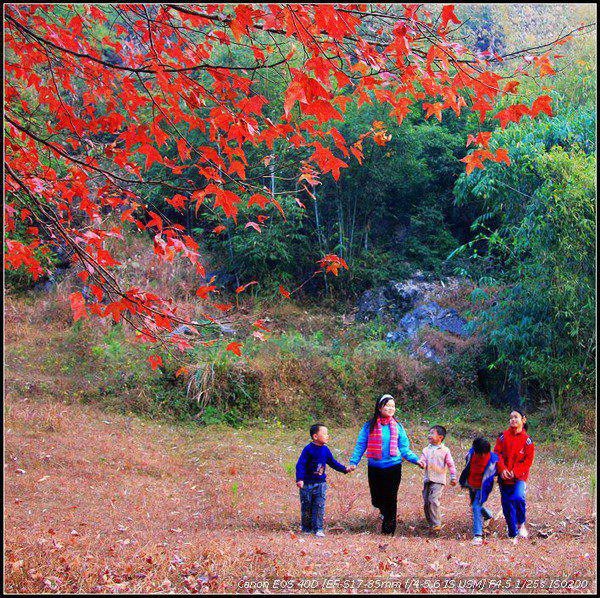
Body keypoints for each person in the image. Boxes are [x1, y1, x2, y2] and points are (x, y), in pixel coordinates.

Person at [349, 394, 423, 535]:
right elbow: (361, 444)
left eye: (393, 406)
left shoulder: (398, 426)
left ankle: (388, 530)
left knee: (391, 497)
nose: (390, 408)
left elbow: (404, 448)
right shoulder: (369, 426)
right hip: (375, 466)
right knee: (376, 499)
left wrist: (416, 460)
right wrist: (354, 462)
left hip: (393, 466)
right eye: (387, 405)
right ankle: (383, 511)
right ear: (379, 407)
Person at [295, 423, 352, 537]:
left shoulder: (325, 450)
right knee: (307, 506)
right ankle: (306, 528)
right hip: (307, 484)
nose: (327, 436)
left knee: (319, 506)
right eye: (325, 434)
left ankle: (318, 529)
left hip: (321, 483)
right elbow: (300, 464)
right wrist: (300, 479)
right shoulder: (308, 449)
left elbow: (332, 462)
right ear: (315, 436)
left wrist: (344, 469)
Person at [494, 409, 535, 543]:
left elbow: (528, 461)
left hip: (519, 477)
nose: (513, 420)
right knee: (507, 503)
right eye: (511, 417)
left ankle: (521, 523)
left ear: (523, 420)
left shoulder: (527, 440)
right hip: (504, 476)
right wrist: (502, 469)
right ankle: (512, 531)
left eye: (516, 417)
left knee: (518, 497)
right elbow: (497, 454)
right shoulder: (503, 437)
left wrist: (515, 472)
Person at [459, 437, 499, 545]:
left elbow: (499, 471)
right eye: (480, 454)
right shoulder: (472, 453)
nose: (482, 456)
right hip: (472, 484)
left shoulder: (493, 459)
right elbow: (467, 463)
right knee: (474, 504)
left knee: (476, 506)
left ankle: (478, 535)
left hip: (484, 488)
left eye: (484, 453)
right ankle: (488, 515)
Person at [417, 425, 457, 531]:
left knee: (433, 499)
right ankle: (430, 523)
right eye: (429, 433)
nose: (429, 435)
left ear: (440, 437)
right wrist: (421, 463)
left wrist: (453, 477)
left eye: (432, 433)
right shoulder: (426, 449)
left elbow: (451, 464)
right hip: (427, 479)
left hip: (439, 480)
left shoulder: (445, 450)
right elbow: (423, 460)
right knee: (426, 502)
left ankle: (437, 524)